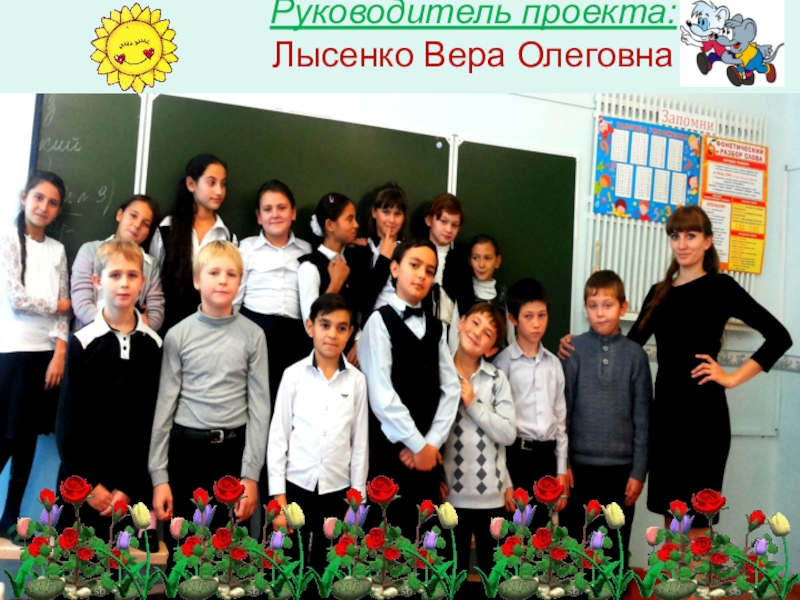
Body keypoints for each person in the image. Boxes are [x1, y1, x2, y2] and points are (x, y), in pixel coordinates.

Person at [559, 205, 792, 535]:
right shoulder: (660, 293)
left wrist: (730, 378)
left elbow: (780, 337)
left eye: (691, 235)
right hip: (666, 421)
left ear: (707, 241)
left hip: (705, 422)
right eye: (675, 235)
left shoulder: (722, 287)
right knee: (672, 525)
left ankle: (696, 573)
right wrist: (577, 342)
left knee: (697, 527)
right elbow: (627, 345)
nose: (682, 244)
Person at [149, 241, 270, 552]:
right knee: (185, 554)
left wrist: (250, 475)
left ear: (240, 282)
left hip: (232, 454)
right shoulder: (177, 335)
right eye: (214, 272)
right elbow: (164, 408)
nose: (222, 280)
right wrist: (159, 476)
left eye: (231, 274)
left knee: (226, 558)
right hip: (186, 454)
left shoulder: (253, 336)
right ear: (196, 280)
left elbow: (260, 409)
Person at [56, 240, 162, 541]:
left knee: (116, 565)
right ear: (97, 281)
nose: (124, 283)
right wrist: (87, 484)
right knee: (72, 563)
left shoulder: (153, 345)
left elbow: (147, 421)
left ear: (142, 281)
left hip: (124, 488)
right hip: (80, 483)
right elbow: (67, 423)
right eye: (115, 275)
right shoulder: (82, 341)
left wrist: (127, 486)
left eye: (132, 275)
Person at [357, 238, 460, 537]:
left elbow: (451, 389)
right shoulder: (378, 322)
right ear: (394, 268)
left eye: (429, 271)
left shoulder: (438, 327)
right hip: (391, 450)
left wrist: (432, 444)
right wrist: (416, 444)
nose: (421, 275)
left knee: (425, 540)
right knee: (388, 540)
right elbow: (382, 393)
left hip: (428, 454)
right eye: (414, 265)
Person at [267, 293, 368, 576]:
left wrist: (356, 502)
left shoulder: (358, 382)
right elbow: (278, 438)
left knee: (329, 570)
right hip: (296, 486)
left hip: (337, 491)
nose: (332, 334)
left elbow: (360, 445)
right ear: (310, 327)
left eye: (341, 328)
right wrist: (278, 499)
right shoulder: (293, 375)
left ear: (350, 333)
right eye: (325, 325)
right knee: (290, 569)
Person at [559, 270, 651, 569]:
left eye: (607, 305)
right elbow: (563, 413)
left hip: (621, 473)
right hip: (578, 470)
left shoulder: (636, 357)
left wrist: (638, 472)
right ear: (585, 308)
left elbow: (643, 418)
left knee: (614, 549)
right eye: (593, 305)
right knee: (575, 546)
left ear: (623, 308)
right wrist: (564, 464)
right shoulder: (573, 351)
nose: (600, 312)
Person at [0, 171, 71, 537]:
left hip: (45, 357)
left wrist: (59, 352)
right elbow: (17, 299)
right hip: (12, 352)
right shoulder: (8, 238)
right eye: (39, 197)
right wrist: (60, 304)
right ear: (24, 197)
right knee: (6, 436)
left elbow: (65, 310)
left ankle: (10, 519)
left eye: (53, 202)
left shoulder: (58, 250)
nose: (44, 207)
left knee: (26, 439)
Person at [443, 302, 516, 599]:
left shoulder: (497, 379)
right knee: (452, 579)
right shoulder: (440, 372)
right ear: (461, 322)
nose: (477, 333)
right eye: (474, 323)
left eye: (487, 333)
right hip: (450, 497)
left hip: (492, 500)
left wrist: (473, 403)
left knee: (494, 579)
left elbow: (507, 434)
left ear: (492, 348)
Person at [494, 278, 568, 532]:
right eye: (528, 316)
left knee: (541, 536)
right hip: (516, 457)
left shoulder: (554, 364)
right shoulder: (503, 364)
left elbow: (560, 421)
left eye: (542, 315)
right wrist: (506, 480)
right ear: (513, 319)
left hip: (547, 458)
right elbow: (498, 427)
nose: (536, 323)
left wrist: (561, 470)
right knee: (514, 538)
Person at [150, 154, 237, 334]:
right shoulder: (167, 229)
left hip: (211, 328)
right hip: (168, 327)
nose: (219, 191)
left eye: (223, 184)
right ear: (191, 184)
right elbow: (153, 280)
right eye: (211, 183)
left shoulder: (227, 236)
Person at [71, 195, 163, 330]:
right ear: (120, 215)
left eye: (146, 224)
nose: (137, 225)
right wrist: (113, 329)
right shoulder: (90, 251)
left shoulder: (150, 265)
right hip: (90, 336)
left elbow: (156, 312)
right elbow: (81, 301)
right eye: (133, 215)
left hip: (133, 339)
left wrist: (138, 329)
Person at [298, 193, 363, 363]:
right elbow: (310, 323)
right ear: (329, 225)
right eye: (349, 219)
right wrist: (336, 283)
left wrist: (358, 339)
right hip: (322, 360)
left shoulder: (354, 259)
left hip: (352, 357)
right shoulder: (310, 266)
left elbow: (359, 307)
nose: (356, 225)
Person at [448, 235, 515, 355]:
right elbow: (453, 338)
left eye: (487, 258)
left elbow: (510, 339)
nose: (481, 264)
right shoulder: (463, 294)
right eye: (476, 258)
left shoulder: (503, 297)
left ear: (497, 261)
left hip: (497, 363)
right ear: (469, 260)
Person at [349, 182, 407, 314]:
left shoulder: (411, 250)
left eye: (397, 214)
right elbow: (362, 301)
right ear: (374, 212)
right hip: (372, 321)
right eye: (386, 212)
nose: (391, 220)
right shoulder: (360, 250)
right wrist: (383, 259)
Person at [423, 193, 464, 325]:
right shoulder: (413, 252)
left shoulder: (460, 262)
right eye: (443, 221)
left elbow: (465, 302)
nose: (448, 229)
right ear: (429, 220)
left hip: (448, 329)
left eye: (454, 225)